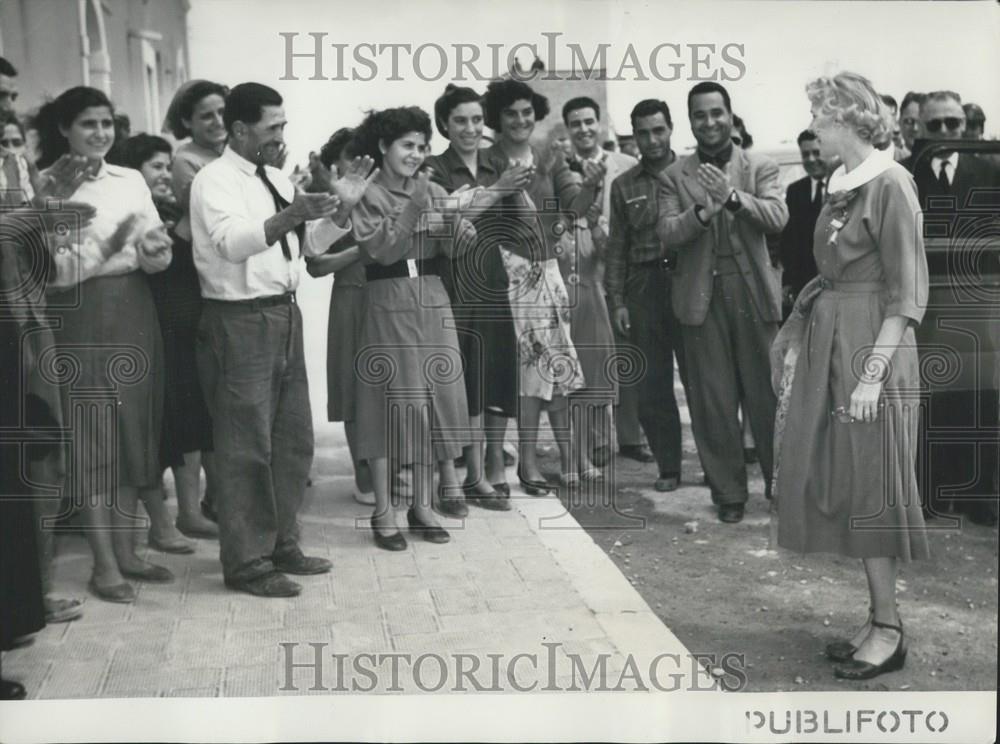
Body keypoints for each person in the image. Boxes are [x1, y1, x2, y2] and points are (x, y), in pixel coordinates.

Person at [772, 71, 929, 679]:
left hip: (872, 351)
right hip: (833, 343)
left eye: (820, 117)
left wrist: (869, 377)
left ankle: (889, 628)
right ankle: (876, 615)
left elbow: (905, 297)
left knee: (873, 486)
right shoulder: (839, 186)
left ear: (845, 121)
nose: (813, 129)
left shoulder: (893, 186)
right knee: (843, 478)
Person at [190, 82, 365, 597]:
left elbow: (307, 249)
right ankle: (246, 562)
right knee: (246, 447)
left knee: (292, 442)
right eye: (273, 127)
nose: (281, 135)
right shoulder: (214, 181)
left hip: (283, 317)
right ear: (240, 129)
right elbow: (231, 243)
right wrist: (292, 212)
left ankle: (282, 543)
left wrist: (338, 213)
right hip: (237, 321)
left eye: (283, 126)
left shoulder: (274, 179)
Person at [37, 87, 175, 603]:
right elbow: (54, 271)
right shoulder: (48, 185)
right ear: (63, 129)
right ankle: (102, 563)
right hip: (81, 316)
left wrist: (156, 252)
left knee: (133, 432)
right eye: (88, 124)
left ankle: (128, 550)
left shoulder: (131, 178)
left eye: (106, 124)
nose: (100, 134)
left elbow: (153, 248)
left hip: (135, 309)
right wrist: (116, 248)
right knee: (93, 436)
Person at [657, 81, 788, 523]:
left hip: (753, 296)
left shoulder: (759, 166)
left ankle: (782, 488)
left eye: (717, 113)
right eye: (699, 115)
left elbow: (777, 217)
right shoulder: (673, 175)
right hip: (700, 297)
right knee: (713, 401)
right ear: (689, 122)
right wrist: (704, 212)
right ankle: (729, 493)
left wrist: (732, 198)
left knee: (767, 398)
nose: (709, 122)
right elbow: (668, 232)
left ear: (731, 115)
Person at [349, 105, 477, 548]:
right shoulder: (367, 194)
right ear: (384, 147)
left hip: (432, 296)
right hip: (387, 299)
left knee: (434, 401)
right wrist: (420, 207)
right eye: (407, 145)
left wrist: (459, 233)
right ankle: (385, 511)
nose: (416, 154)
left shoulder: (432, 189)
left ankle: (422, 506)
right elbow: (382, 251)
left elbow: (455, 251)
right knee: (389, 403)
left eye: (423, 146)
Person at [1, 154, 99, 696]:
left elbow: (38, 267)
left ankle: (21, 604)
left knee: (30, 474)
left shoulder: (15, 177)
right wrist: (35, 211)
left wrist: (40, 214)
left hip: (23, 329)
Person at [481, 78, 587, 495]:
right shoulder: (489, 159)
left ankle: (531, 458)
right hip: (508, 272)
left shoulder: (550, 155)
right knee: (523, 371)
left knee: (550, 371)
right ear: (497, 119)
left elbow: (573, 205)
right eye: (510, 113)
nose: (520, 120)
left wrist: (589, 184)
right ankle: (522, 461)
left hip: (549, 270)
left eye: (527, 112)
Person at [423, 84, 525, 510]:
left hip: (492, 279)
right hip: (452, 282)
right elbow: (445, 217)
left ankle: (488, 471)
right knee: (461, 379)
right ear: (444, 125)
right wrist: (500, 189)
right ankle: (466, 475)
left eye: (477, 120)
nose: (470, 128)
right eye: (461, 120)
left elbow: (518, 223)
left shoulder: (496, 161)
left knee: (496, 373)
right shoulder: (433, 168)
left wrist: (516, 193)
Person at [903, 90, 1000, 527]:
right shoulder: (904, 176)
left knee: (981, 398)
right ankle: (932, 492)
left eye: (953, 124)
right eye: (935, 125)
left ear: (964, 125)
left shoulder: (991, 170)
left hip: (979, 304)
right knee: (929, 397)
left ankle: (980, 495)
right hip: (927, 305)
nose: (945, 132)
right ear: (919, 128)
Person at [605, 99, 689, 491]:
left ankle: (717, 466)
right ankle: (669, 467)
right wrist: (618, 301)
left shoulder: (692, 173)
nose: (651, 140)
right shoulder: (625, 186)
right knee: (652, 384)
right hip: (643, 287)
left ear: (671, 128)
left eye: (658, 130)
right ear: (633, 136)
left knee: (702, 379)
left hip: (688, 281)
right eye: (642, 133)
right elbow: (617, 248)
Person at [161, 79, 229, 530]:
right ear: (187, 120)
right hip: (190, 283)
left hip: (218, 282)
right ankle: (199, 505)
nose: (218, 122)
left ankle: (217, 497)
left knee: (217, 399)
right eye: (207, 115)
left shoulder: (224, 156)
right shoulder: (187, 160)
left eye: (223, 112)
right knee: (197, 397)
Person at [560, 95, 633, 483]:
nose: (584, 129)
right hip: (571, 271)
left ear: (600, 124)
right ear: (568, 128)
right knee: (574, 372)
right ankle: (577, 451)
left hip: (606, 271)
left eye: (590, 121)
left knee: (604, 368)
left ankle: (610, 441)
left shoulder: (625, 165)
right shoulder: (560, 170)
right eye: (576, 123)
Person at [304, 127, 376, 507]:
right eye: (350, 156)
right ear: (336, 164)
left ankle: (387, 468)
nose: (358, 164)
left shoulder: (383, 195)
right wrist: (361, 252)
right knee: (353, 388)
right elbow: (315, 266)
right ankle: (362, 475)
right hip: (351, 297)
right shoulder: (333, 203)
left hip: (388, 297)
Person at [779, 129, 833, 318]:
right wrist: (787, 283)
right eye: (805, 154)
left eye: (816, 153)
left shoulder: (841, 187)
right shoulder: (795, 192)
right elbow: (788, 241)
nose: (810, 159)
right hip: (804, 285)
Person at [897, 91, 925, 161]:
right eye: (909, 121)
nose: (915, 128)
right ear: (899, 122)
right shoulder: (890, 160)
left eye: (921, 122)